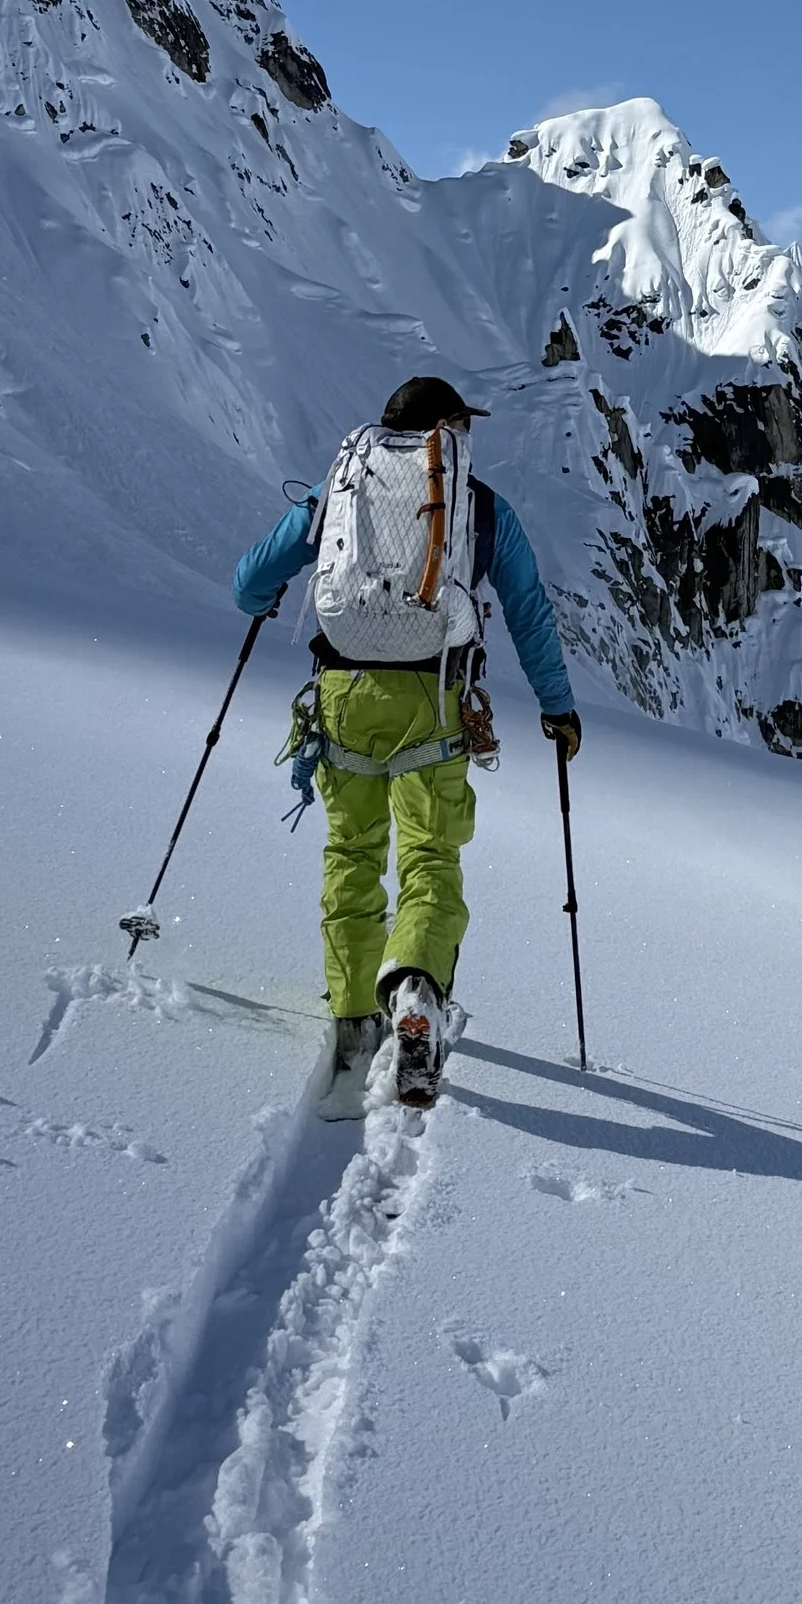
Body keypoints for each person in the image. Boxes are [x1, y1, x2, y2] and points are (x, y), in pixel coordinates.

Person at [234, 373, 580, 1113]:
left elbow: (248, 580)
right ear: (444, 430)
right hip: (433, 700)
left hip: (342, 695)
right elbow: (526, 609)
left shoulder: (341, 490)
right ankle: (416, 984)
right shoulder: (479, 506)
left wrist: (264, 599)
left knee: (352, 850)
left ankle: (356, 1011)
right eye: (463, 424)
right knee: (429, 852)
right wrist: (558, 707)